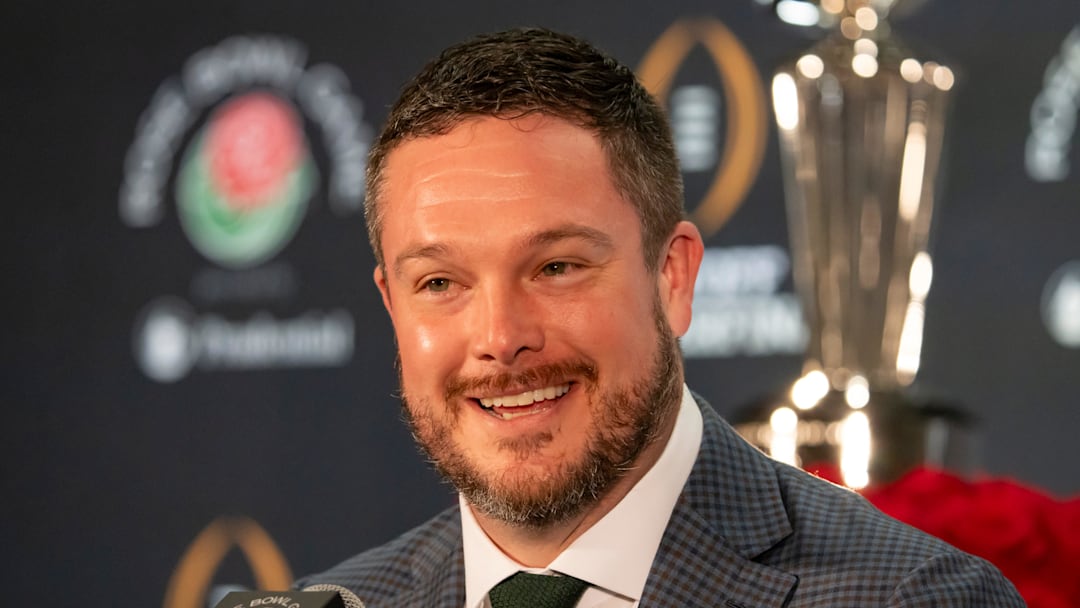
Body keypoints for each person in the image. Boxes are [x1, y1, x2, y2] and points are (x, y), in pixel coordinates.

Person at [299, 27, 1024, 607]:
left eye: (556, 267)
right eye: (439, 282)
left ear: (672, 276)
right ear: (392, 306)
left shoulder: (906, 596)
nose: (499, 338)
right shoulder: (336, 601)